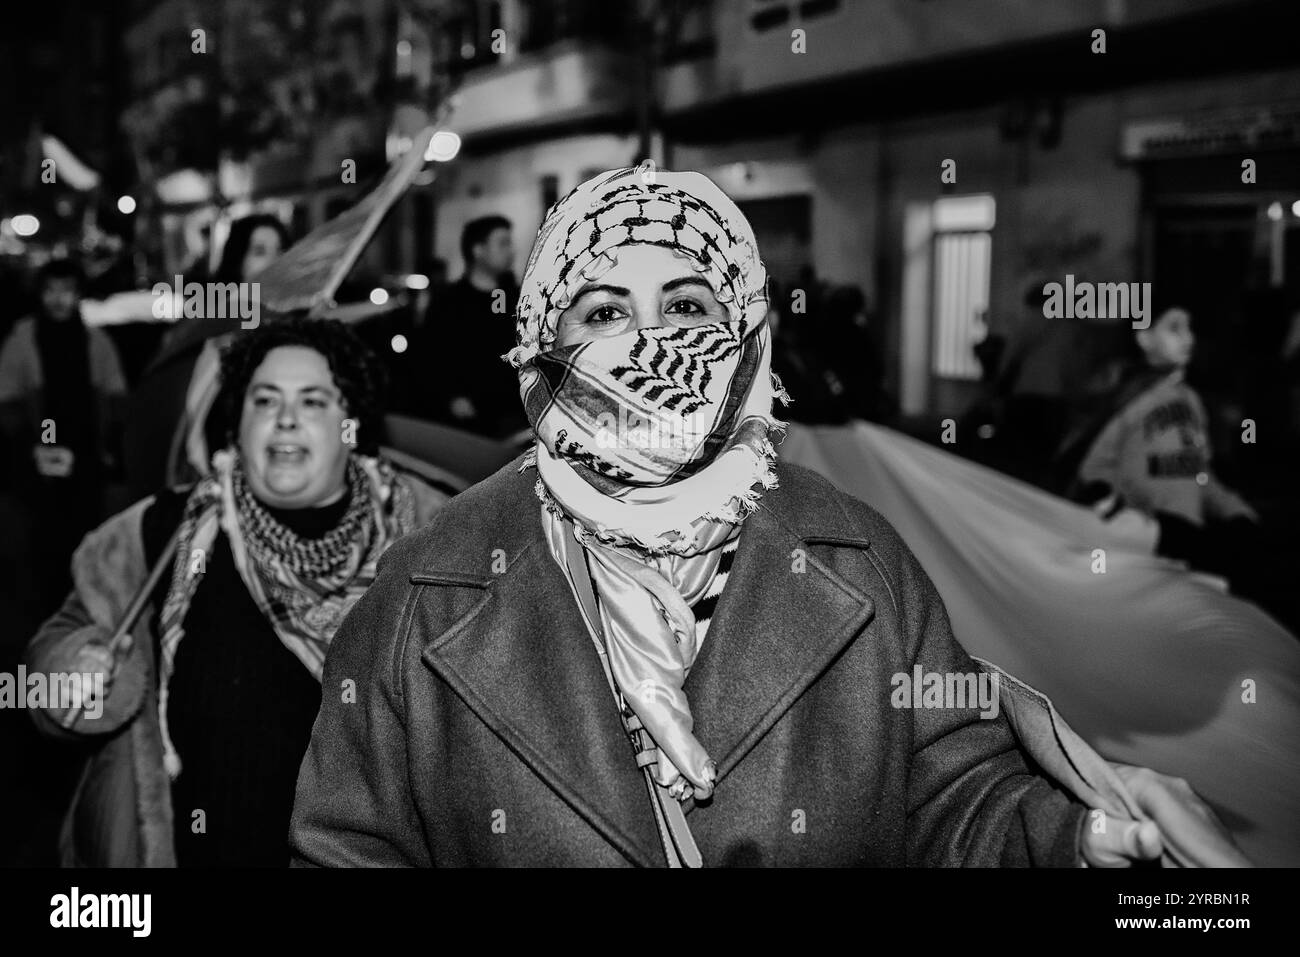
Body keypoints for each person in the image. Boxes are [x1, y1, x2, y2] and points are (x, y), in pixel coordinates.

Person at [289, 168, 1241, 867]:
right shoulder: (429, 585)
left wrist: (1070, 841)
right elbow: (348, 848)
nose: (649, 343)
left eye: (688, 305)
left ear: (745, 334)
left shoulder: (857, 559)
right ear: (544, 345)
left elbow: (952, 796)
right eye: (604, 311)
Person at [25, 318, 447, 866]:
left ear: (353, 422)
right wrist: (72, 669)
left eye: (315, 401)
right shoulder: (157, 534)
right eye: (265, 400)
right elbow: (42, 675)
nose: (287, 419)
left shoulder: (436, 544)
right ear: (238, 421)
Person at [1070, 306, 1298, 631]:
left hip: (1186, 547)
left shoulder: (1190, 401)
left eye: (1190, 328)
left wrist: (1236, 511)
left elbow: (1199, 473)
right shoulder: (1128, 397)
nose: (1188, 337)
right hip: (1145, 551)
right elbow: (1092, 472)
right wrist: (1138, 517)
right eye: (1175, 328)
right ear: (1144, 338)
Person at [123, 213, 292, 501]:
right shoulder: (216, 320)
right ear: (238, 261)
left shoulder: (296, 322)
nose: (275, 261)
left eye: (281, 251)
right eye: (260, 252)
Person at [0, 258, 128, 617]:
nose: (59, 300)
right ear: (40, 294)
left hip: (86, 445)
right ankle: (50, 603)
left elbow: (114, 391)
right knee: (47, 530)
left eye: (67, 291)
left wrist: (111, 438)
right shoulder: (24, 339)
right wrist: (44, 441)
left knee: (87, 525)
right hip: (47, 434)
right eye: (51, 291)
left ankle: (86, 598)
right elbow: (10, 397)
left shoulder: (94, 340)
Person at [425, 214, 525, 437]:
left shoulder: (519, 297)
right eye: (502, 243)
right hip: (468, 421)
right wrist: (452, 396)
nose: (511, 251)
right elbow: (432, 356)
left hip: (515, 415)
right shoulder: (449, 301)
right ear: (478, 250)